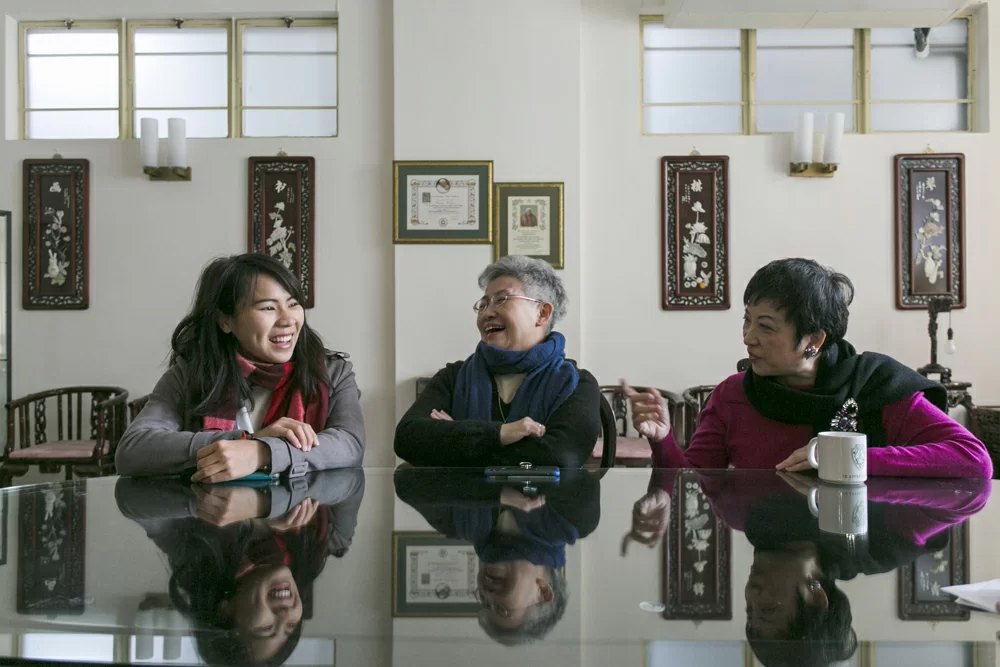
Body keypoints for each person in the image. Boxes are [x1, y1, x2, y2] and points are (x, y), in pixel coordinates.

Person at [624, 258, 991, 478]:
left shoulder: (875, 388)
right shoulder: (733, 395)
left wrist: (844, 458)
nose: (748, 337)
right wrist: (662, 439)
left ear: (814, 340)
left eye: (766, 327)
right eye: (747, 320)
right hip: (767, 546)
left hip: (854, 544)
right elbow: (694, 486)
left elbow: (973, 460)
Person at [117, 253, 364, 481]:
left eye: (293, 304)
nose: (288, 319)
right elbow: (133, 450)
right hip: (210, 511)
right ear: (226, 321)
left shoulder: (332, 372)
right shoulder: (192, 372)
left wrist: (263, 452)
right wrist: (245, 440)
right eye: (268, 307)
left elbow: (349, 445)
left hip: (307, 511)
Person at [115, 469, 365, 665]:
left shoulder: (189, 549)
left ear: (225, 610)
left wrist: (251, 509)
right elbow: (352, 476)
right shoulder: (330, 539)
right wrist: (270, 503)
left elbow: (131, 499)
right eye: (290, 627)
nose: (285, 615)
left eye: (266, 628)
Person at [394, 255, 601, 468]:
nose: (487, 313)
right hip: (460, 492)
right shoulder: (453, 377)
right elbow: (407, 439)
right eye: (483, 304)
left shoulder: (577, 383)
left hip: (539, 493)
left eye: (502, 299)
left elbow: (561, 456)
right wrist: (501, 433)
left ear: (542, 313)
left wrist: (457, 439)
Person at [394, 466, 600, 645]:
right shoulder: (574, 520)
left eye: (484, 603)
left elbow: (405, 478)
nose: (488, 595)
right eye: (501, 609)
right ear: (542, 591)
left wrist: (491, 488)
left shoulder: (455, 524)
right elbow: (563, 460)